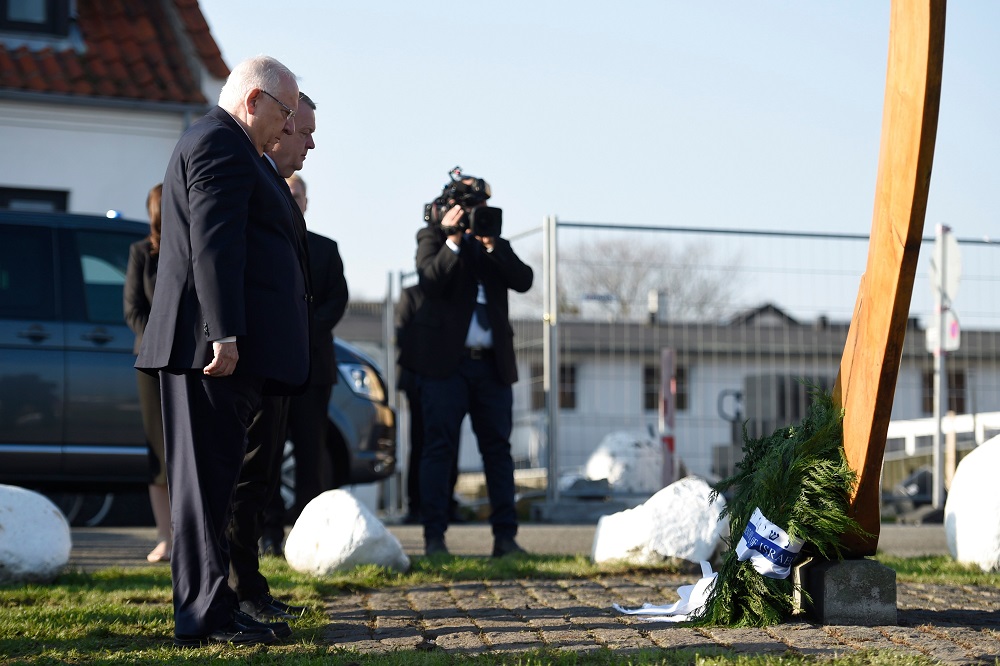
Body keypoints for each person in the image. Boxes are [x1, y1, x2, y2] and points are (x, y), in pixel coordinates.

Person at [135, 55, 309, 647]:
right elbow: (213, 242)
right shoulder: (219, 143)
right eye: (285, 113)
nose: (289, 128)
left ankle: (217, 603)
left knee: (215, 484)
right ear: (255, 100)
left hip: (218, 350)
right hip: (208, 352)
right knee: (204, 489)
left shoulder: (232, 146)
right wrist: (223, 332)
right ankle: (203, 616)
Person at [227, 94, 318, 626]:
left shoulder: (278, 191)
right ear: (278, 129)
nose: (311, 142)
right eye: (303, 131)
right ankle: (239, 588)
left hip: (277, 358)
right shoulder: (252, 180)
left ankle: (250, 581)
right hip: (250, 355)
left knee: (260, 476)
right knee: (243, 477)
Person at [413, 170, 533, 557]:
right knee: (439, 449)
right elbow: (430, 282)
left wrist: (491, 244)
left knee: (498, 450)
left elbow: (524, 280)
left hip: (492, 367)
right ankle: (434, 538)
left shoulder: (494, 243)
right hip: (447, 367)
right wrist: (451, 241)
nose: (474, 214)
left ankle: (506, 538)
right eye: (468, 208)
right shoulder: (431, 239)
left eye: (480, 207)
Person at [283, 173, 349, 520]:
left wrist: (304, 329)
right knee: (266, 452)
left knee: (312, 453)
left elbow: (338, 299)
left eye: (298, 196)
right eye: (287, 193)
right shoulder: (265, 243)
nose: (293, 201)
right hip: (272, 365)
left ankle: (308, 527)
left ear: (306, 202)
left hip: (315, 366)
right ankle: (270, 533)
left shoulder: (325, 248)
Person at [123, 183, 171, 564]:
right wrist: (159, 340)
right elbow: (133, 310)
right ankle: (164, 537)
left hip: (183, 362)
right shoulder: (141, 253)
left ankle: (186, 536)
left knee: (186, 451)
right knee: (158, 453)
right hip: (150, 364)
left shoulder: (184, 251)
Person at [395, 283, 460, 525]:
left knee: (450, 441)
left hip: (449, 378)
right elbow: (402, 334)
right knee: (421, 442)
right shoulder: (412, 294)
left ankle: (447, 503)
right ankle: (416, 505)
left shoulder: (452, 291)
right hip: (417, 379)